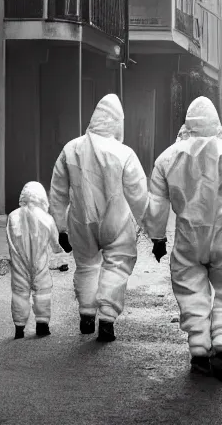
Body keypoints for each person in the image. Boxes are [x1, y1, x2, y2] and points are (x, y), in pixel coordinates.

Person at [145, 96, 222, 381]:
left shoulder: (167, 157)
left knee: (191, 294)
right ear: (216, 123)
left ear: (187, 124)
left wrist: (157, 238)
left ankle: (199, 350)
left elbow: (156, 204)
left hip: (187, 241)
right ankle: (221, 345)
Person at [49, 94, 148, 342]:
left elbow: (58, 193)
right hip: (117, 222)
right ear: (117, 122)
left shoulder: (70, 149)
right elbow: (138, 196)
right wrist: (153, 230)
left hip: (80, 222)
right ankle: (106, 318)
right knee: (117, 264)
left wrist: (61, 228)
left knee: (86, 266)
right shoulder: (125, 153)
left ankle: (86, 312)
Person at [6, 181, 66, 340]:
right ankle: (42, 325)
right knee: (42, 292)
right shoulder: (47, 218)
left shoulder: (12, 217)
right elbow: (55, 243)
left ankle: (19, 328)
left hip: (19, 265)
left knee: (19, 294)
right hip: (40, 264)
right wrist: (61, 260)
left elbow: (10, 240)